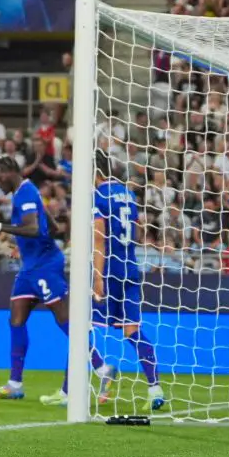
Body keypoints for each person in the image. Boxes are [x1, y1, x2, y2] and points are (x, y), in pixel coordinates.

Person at [0, 155, 70, 401]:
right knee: (16, 319)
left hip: (45, 266)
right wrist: (25, 247)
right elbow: (51, 229)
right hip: (30, 266)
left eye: (0, 177)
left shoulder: (25, 192)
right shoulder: (27, 193)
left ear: (11, 172)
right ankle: (14, 384)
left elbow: (31, 228)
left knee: (65, 322)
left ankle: (100, 368)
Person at [80, 152, 163, 410]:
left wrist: (97, 275)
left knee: (80, 329)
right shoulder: (129, 195)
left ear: (94, 172)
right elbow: (137, 232)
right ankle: (155, 388)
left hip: (109, 270)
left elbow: (99, 238)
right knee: (132, 331)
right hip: (131, 267)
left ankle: (99, 372)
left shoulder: (98, 197)